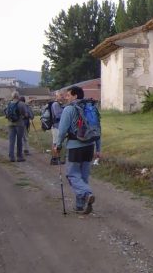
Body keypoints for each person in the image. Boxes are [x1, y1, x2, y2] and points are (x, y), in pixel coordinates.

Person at [56, 86, 101, 214]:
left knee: (72, 175)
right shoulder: (91, 108)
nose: (66, 97)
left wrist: (58, 145)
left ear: (75, 96)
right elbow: (97, 129)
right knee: (83, 176)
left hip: (75, 147)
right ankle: (80, 205)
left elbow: (62, 130)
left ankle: (87, 195)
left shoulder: (69, 109)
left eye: (68, 95)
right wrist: (98, 148)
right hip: (89, 146)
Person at [5, 91, 29, 162]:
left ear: (12, 97)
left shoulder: (9, 104)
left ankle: (11, 156)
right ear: (18, 96)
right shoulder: (21, 104)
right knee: (19, 140)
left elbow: (6, 114)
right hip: (19, 124)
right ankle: (19, 156)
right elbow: (26, 114)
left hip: (10, 124)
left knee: (11, 141)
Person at [50, 91, 65, 165]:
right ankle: (54, 159)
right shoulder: (55, 104)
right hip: (56, 126)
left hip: (58, 126)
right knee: (55, 143)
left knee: (58, 142)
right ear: (56, 96)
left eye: (62, 95)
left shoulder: (60, 104)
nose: (62, 96)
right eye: (60, 95)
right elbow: (57, 115)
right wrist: (65, 112)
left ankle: (58, 158)